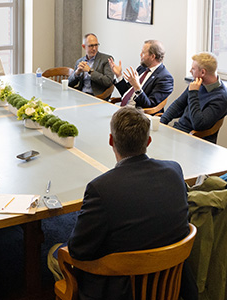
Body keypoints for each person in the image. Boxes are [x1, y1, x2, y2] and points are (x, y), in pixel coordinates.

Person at [48, 106, 197, 300]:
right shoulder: (174, 171)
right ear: (148, 141)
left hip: (121, 290)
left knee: (54, 254)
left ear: (111, 140)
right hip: (170, 284)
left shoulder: (101, 189)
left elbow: (78, 251)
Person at [161, 52, 227, 143]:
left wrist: (193, 93)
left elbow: (198, 124)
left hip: (196, 140)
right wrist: (161, 122)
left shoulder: (221, 97)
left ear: (203, 72)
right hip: (179, 131)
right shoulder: (197, 83)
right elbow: (179, 104)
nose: (190, 71)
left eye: (193, 69)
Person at [108, 40, 173, 109]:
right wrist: (119, 75)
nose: (140, 55)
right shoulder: (142, 69)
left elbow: (149, 105)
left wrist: (137, 88)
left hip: (139, 115)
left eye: (143, 53)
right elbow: (127, 93)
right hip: (124, 110)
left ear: (152, 56)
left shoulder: (165, 78)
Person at [68, 33, 113, 98]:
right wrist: (77, 73)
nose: (94, 48)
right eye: (91, 46)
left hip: (97, 97)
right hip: (81, 95)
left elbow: (108, 81)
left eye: (96, 45)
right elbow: (69, 83)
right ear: (84, 47)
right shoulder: (80, 61)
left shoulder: (106, 60)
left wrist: (90, 71)